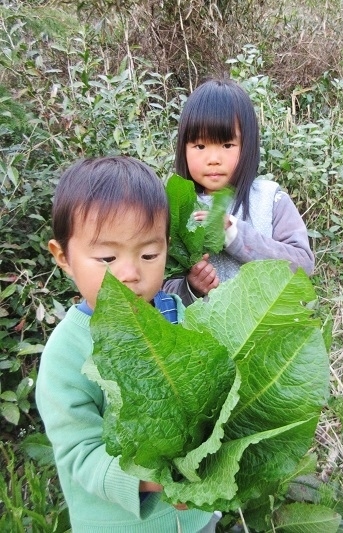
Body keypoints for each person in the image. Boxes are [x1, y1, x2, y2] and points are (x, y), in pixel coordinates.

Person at [35, 156, 219, 532]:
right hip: (119, 524)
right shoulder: (65, 353)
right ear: (63, 257)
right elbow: (80, 453)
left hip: (196, 518)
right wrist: (160, 479)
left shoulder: (178, 314)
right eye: (107, 258)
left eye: (149, 254)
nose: (130, 274)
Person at [163, 78, 314, 306]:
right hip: (203, 339)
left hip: (263, 334)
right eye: (200, 146)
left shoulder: (269, 199)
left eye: (227, 145)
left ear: (248, 146)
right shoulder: (173, 208)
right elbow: (158, 283)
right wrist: (190, 287)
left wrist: (234, 235)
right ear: (183, 148)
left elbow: (303, 265)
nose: (213, 159)